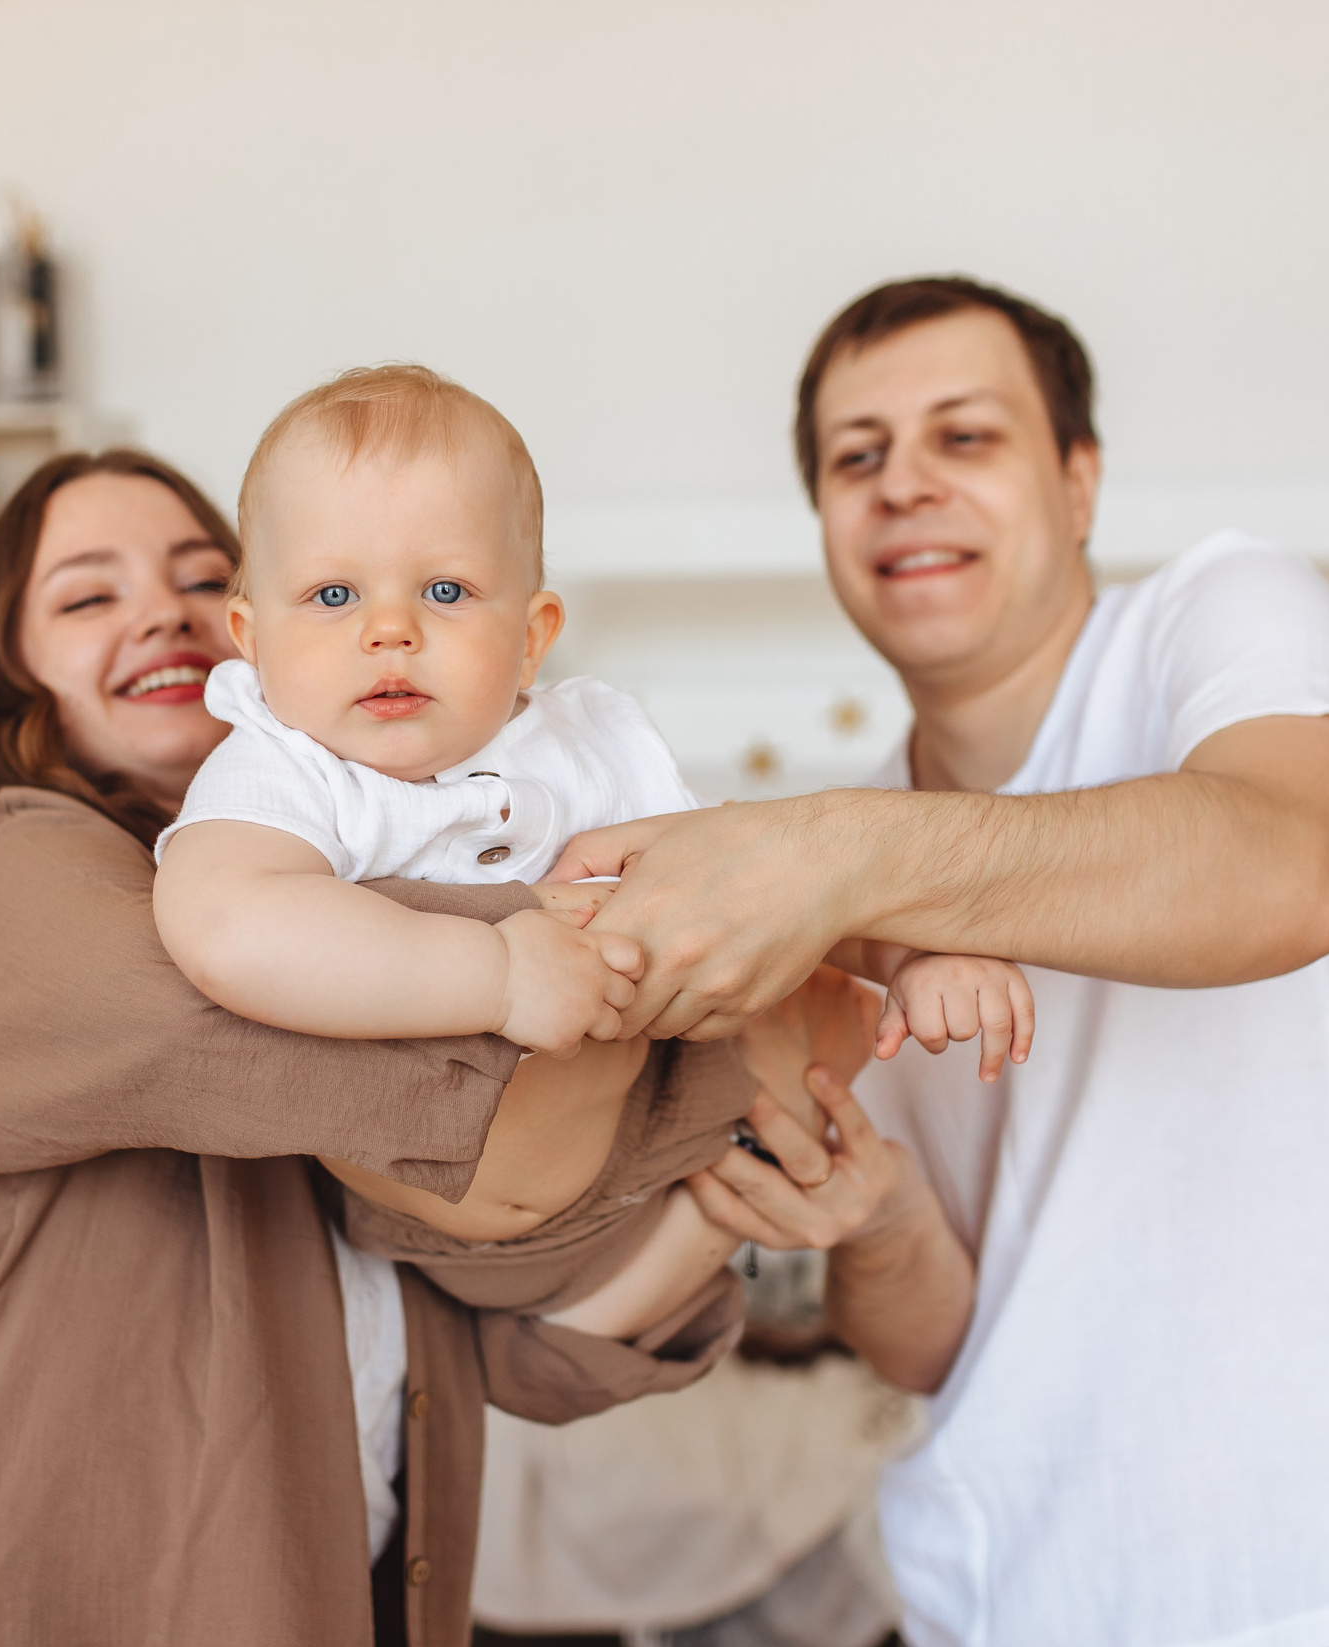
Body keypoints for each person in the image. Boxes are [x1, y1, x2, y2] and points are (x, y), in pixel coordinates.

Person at [0, 446, 968, 1647]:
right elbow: (376, 1050)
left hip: (302, 1633)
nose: (162, 616)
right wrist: (702, 1009)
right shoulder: (11, 878)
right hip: (16, 1645)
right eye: (87, 597)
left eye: (200, 576)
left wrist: (731, 1181)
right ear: (6, 677)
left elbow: (491, 1335)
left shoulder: (361, 929)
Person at [563, 277, 1329, 1647]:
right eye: (856, 455)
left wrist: (826, 849)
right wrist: (872, 1220)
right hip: (987, 1618)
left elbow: (1289, 870)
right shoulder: (852, 855)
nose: (905, 486)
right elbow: (936, 1336)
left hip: (1298, 1601)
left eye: (966, 436)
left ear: (1078, 481)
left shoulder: (1229, 613)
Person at [154, 363, 1030, 1323]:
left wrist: (911, 951)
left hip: (652, 1140)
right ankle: (685, 1248)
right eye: (331, 596)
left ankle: (772, 1163)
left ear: (532, 639)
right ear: (251, 637)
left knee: (813, 1002)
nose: (391, 631)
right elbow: (226, 920)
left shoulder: (586, 747)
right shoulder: (285, 765)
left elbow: (763, 883)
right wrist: (494, 970)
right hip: (443, 1224)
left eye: (445, 589)